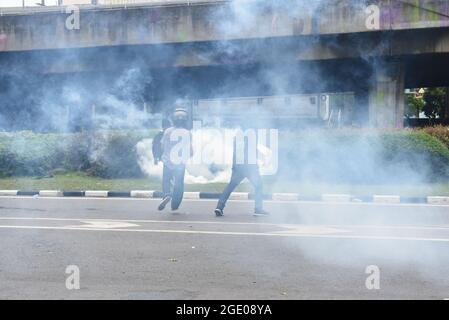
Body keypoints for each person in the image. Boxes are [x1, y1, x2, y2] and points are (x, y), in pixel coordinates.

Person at [214, 127, 269, 217]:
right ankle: (258, 209)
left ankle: (219, 207)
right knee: (258, 185)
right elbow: (251, 152)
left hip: (238, 167)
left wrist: (234, 167)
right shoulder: (250, 136)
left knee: (230, 186)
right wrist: (261, 159)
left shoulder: (237, 137)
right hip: (249, 167)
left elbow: (235, 154)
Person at [158, 108, 193, 212]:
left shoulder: (168, 131)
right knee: (179, 184)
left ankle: (167, 194)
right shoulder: (187, 133)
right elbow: (190, 149)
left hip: (168, 161)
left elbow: (162, 145)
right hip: (180, 163)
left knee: (166, 180)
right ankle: (175, 205)